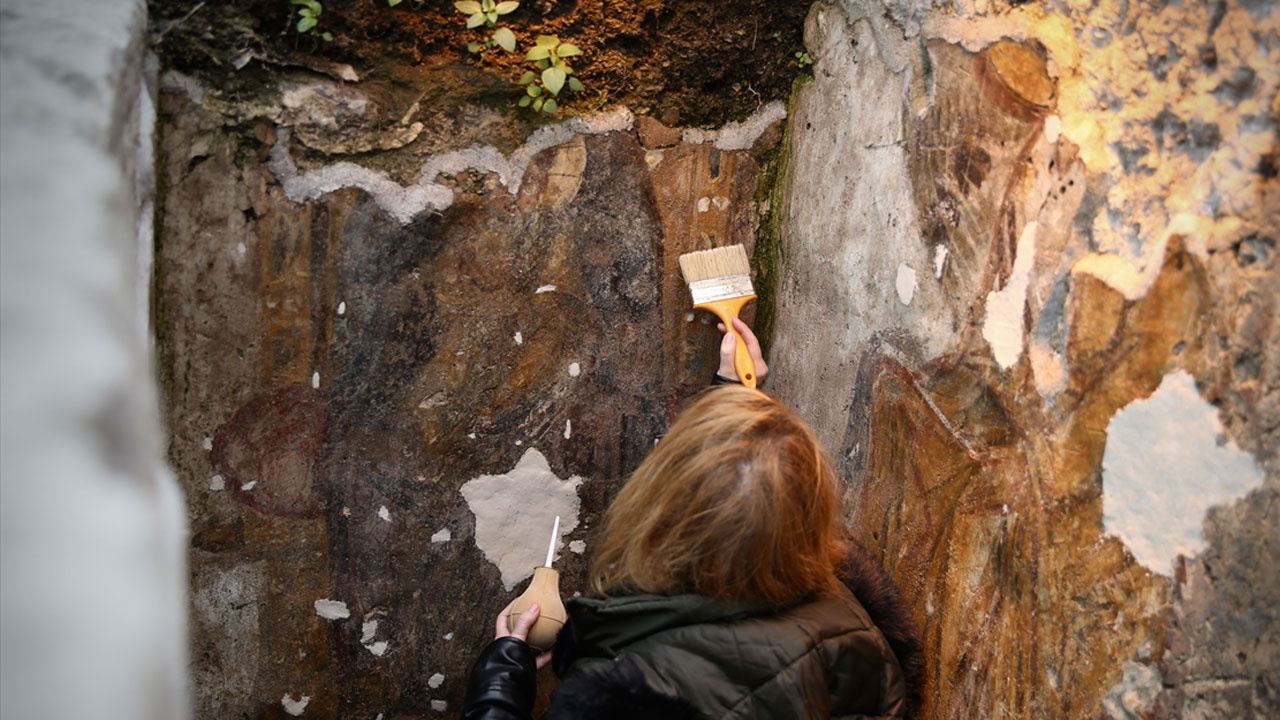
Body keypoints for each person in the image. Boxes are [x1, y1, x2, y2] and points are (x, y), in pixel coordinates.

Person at [462, 318, 922, 720]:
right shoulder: (856, 633)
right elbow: (748, 496)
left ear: (661, 511)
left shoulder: (627, 700)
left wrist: (499, 694)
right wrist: (734, 396)